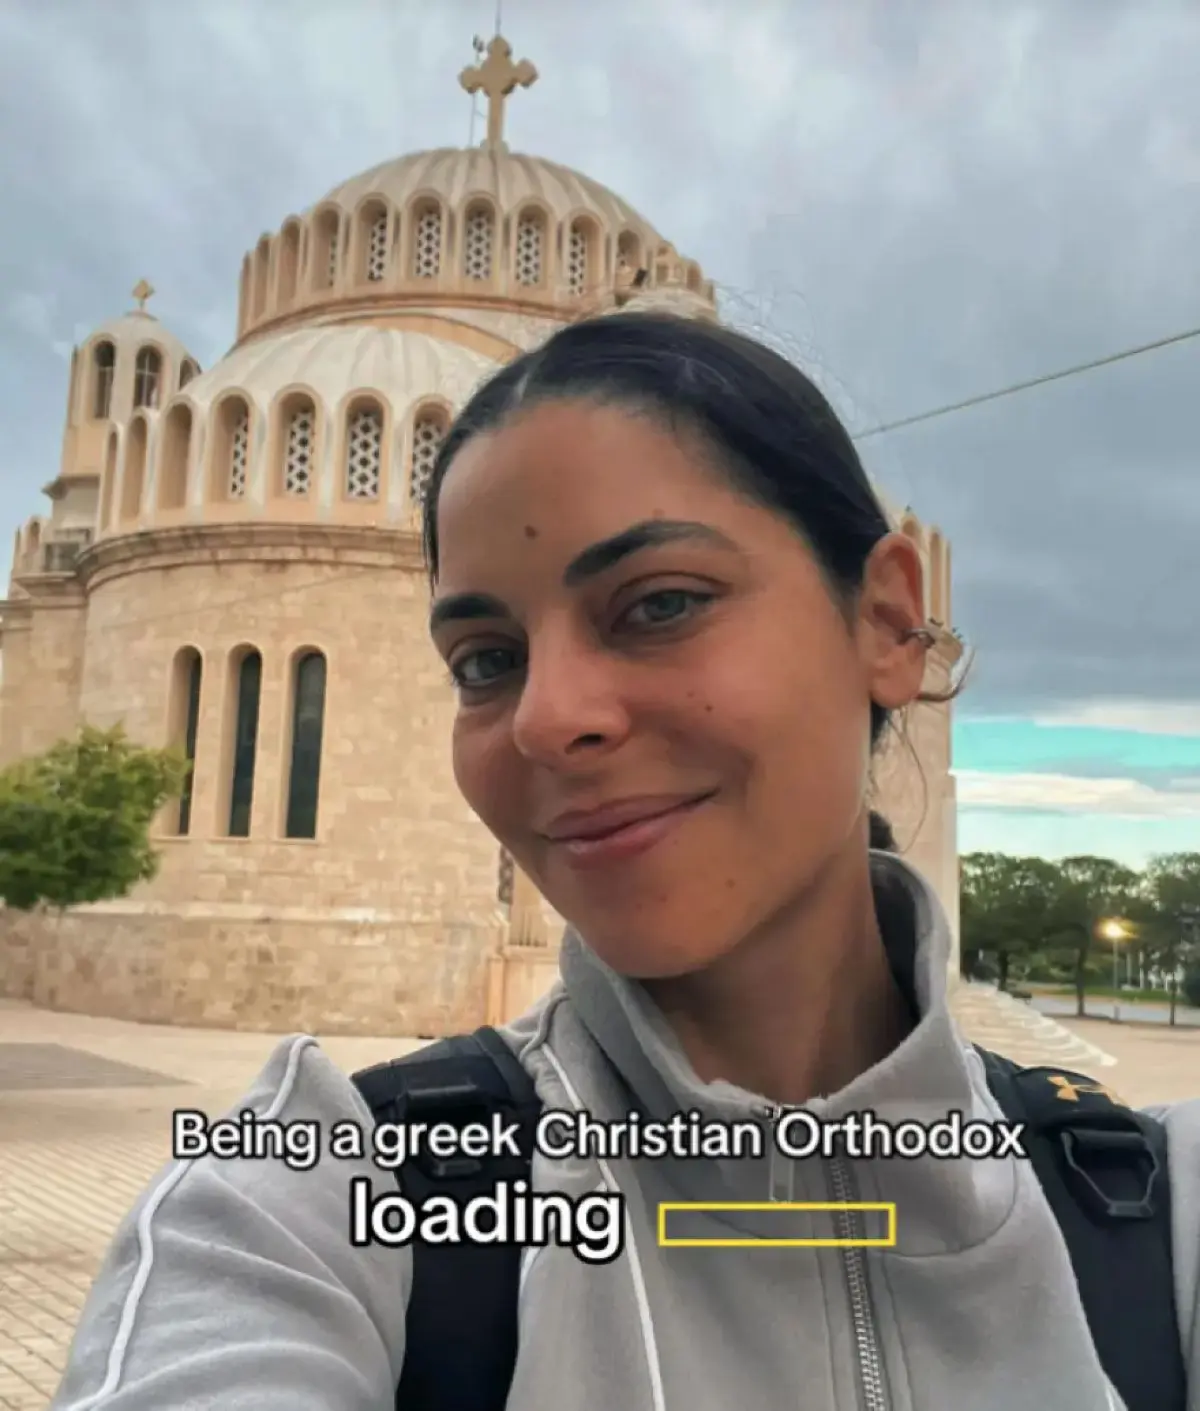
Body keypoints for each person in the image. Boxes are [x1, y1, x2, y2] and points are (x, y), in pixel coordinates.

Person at [50, 313, 1199, 1410]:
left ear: (891, 623)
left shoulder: (1159, 1213)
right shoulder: (313, 1198)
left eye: (659, 605)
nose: (548, 718)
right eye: (486, 659)